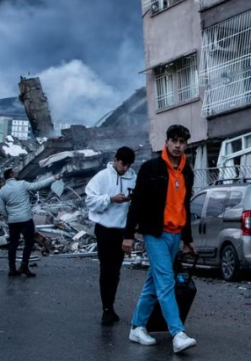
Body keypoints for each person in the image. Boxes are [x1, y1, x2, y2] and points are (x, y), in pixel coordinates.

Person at [124, 125, 197, 353]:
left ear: (186, 144)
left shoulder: (187, 171)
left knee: (153, 284)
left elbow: (185, 206)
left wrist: (187, 239)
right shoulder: (151, 168)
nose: (177, 145)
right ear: (166, 142)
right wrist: (128, 235)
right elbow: (137, 203)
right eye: (174, 140)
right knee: (166, 282)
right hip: (155, 234)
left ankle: (137, 327)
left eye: (182, 142)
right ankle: (178, 333)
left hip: (176, 235)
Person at [85, 146, 137, 326]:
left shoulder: (133, 177)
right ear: (115, 160)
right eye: (123, 164)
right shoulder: (101, 177)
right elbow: (89, 200)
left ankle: (110, 306)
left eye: (128, 165)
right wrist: (110, 199)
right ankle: (106, 309)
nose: (125, 168)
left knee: (115, 271)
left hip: (122, 232)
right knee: (107, 269)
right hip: (105, 229)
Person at [0, 168, 61, 277]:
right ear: (11, 174)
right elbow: (38, 185)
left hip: (13, 221)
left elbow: (1, 209)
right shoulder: (22, 184)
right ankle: (24, 266)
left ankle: (12, 269)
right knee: (29, 242)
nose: (17, 173)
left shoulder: (2, 191)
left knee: (13, 244)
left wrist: (9, 216)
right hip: (26, 219)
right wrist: (54, 178)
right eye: (15, 172)